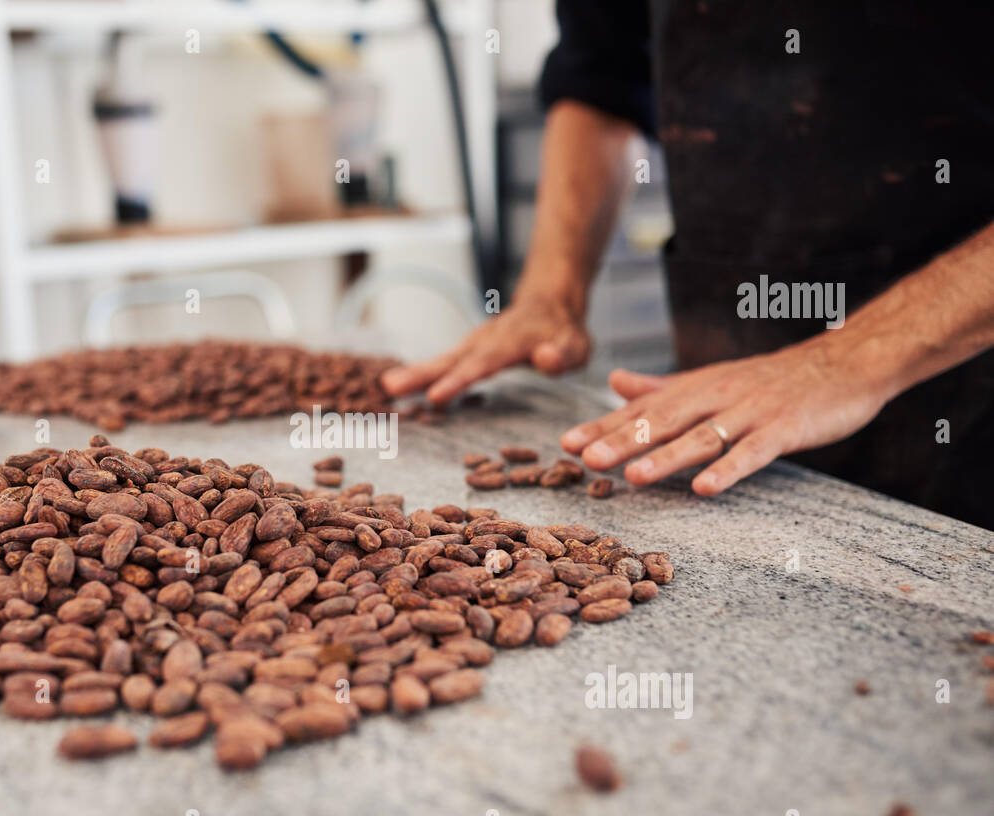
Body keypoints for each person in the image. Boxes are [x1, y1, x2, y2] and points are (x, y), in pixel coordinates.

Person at [381, 1, 994, 529]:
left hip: (964, 384)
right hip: (728, 374)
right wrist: (550, 293)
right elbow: (602, 75)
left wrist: (848, 359)